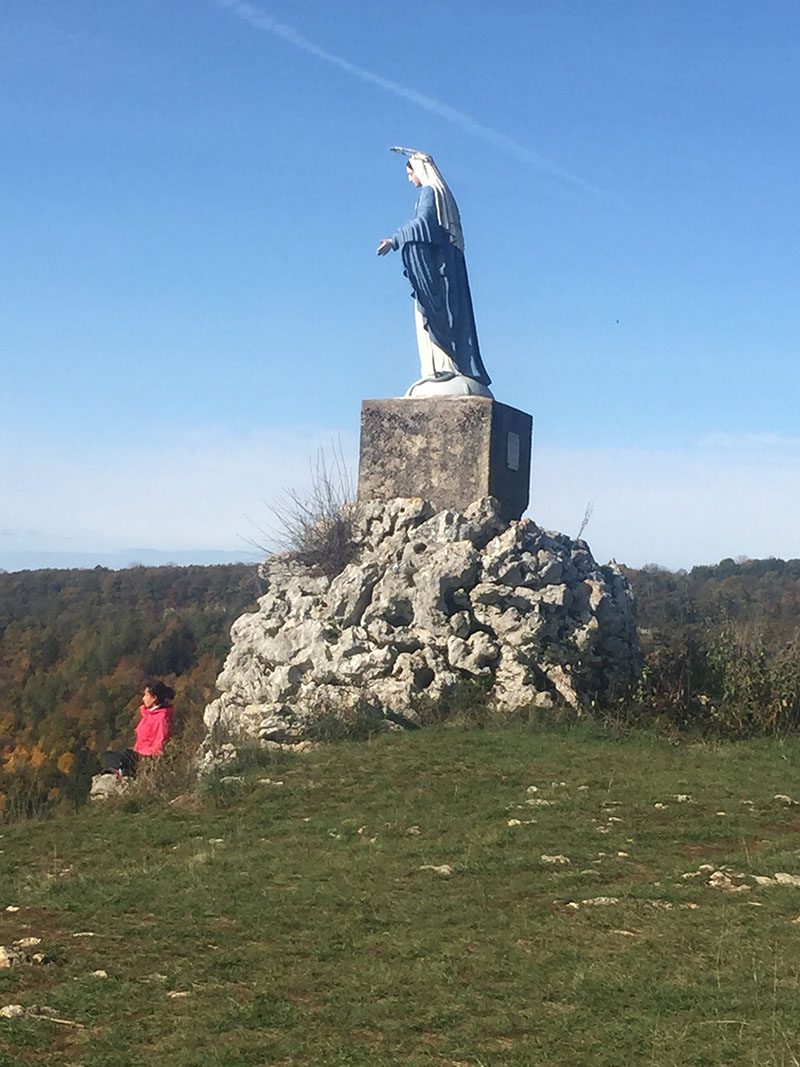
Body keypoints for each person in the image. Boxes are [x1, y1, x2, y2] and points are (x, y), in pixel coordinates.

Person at [377, 148, 492, 395]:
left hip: (439, 275)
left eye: (410, 173)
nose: (410, 179)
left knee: (435, 316)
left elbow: (423, 224)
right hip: (446, 270)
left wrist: (394, 240)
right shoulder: (442, 195)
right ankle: (444, 366)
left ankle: (442, 367)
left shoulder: (429, 193)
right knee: (444, 316)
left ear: (418, 170)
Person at [103, 680, 175, 779]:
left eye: (146, 695)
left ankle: (124, 771)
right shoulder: (148, 715)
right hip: (139, 754)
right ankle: (123, 769)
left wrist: (139, 754)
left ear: (154, 698)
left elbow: (159, 747)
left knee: (120, 756)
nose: (143, 698)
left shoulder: (161, 718)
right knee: (109, 755)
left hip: (147, 758)